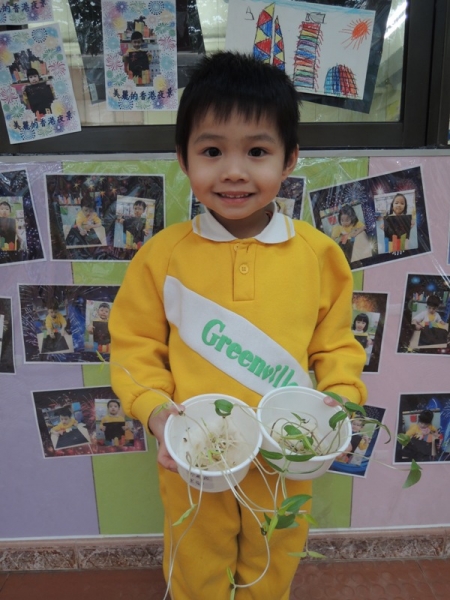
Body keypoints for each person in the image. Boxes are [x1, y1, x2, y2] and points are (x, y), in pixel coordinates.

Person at [109, 51, 367, 600]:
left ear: (289, 158)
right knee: (195, 561)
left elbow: (337, 345)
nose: (233, 171)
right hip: (196, 454)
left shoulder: (319, 255)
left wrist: (341, 399)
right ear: (182, 158)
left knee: (274, 558)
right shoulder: (162, 257)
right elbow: (134, 347)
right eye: (211, 151)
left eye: (256, 151)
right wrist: (155, 413)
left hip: (286, 453)